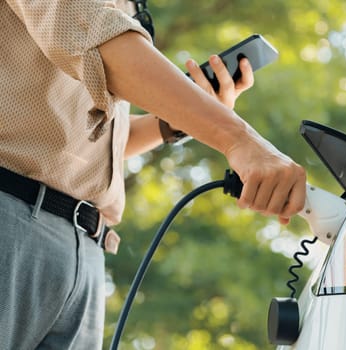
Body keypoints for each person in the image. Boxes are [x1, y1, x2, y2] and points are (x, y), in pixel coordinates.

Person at [0, 0, 306, 348]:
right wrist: (239, 139)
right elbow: (90, 29)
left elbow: (88, 144)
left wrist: (171, 124)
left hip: (84, 248)